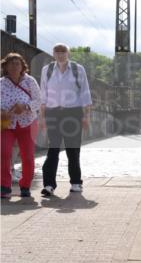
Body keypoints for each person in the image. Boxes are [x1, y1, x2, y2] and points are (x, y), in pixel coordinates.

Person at [39, 43, 93, 197]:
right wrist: (41, 118)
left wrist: (86, 116)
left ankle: (76, 182)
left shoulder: (77, 69)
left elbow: (85, 93)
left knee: (73, 149)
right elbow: (44, 94)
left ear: (68, 53)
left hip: (73, 113)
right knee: (53, 149)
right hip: (53, 113)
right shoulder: (47, 70)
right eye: (57, 51)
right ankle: (49, 185)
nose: (60, 54)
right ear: (53, 54)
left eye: (63, 51)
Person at [1, 53, 42, 199]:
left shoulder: (29, 81)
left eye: (17, 63)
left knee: (28, 156)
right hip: (7, 125)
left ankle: (25, 185)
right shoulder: (1, 83)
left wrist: (25, 106)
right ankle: (4, 186)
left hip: (28, 123)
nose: (14, 66)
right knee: (4, 154)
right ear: (5, 66)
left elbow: (39, 100)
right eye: (11, 63)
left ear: (22, 66)